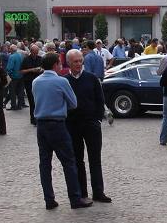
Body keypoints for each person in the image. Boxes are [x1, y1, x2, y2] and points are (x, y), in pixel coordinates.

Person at [33, 52, 90, 210]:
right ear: (55, 65)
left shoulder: (36, 82)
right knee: (69, 162)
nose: (61, 66)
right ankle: (75, 198)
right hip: (57, 124)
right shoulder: (61, 81)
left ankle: (49, 199)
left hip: (41, 125)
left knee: (45, 164)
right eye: (60, 64)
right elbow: (73, 103)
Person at [65, 49, 111, 203]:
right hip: (73, 125)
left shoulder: (91, 79)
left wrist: (97, 120)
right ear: (69, 63)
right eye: (75, 62)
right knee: (77, 160)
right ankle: (82, 193)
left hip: (91, 124)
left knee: (95, 159)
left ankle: (98, 192)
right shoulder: (65, 81)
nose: (78, 64)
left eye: (80, 61)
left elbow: (100, 100)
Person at [20, 44, 43, 125]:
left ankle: (39, 117)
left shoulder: (40, 59)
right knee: (31, 101)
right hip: (29, 82)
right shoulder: (26, 59)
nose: (36, 54)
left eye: (37, 52)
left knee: (38, 101)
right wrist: (31, 70)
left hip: (39, 83)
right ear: (31, 51)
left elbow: (44, 68)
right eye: (34, 52)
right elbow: (21, 71)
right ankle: (33, 119)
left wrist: (40, 70)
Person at [5, 45, 26, 110]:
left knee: (12, 92)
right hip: (21, 76)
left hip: (14, 76)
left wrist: (8, 74)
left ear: (11, 50)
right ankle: (19, 105)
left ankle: (13, 105)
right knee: (20, 91)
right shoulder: (21, 56)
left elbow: (9, 68)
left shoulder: (12, 56)